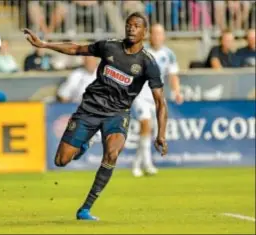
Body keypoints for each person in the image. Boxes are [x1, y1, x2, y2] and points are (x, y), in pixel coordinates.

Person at [24, 11, 168, 221]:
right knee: (61, 160)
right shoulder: (109, 46)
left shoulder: (148, 64)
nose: (131, 28)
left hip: (117, 114)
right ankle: (83, 144)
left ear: (144, 32)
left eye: (136, 26)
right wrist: (44, 45)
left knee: (112, 154)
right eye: (129, 25)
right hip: (90, 108)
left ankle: (85, 208)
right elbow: (76, 49)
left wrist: (161, 134)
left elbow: (160, 102)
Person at [132, 23, 183, 177]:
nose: (157, 37)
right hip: (141, 95)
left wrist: (177, 91)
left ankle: (136, 163)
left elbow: (172, 75)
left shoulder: (169, 54)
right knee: (145, 124)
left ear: (164, 36)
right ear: (150, 35)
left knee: (149, 130)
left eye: (160, 34)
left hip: (156, 97)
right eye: (154, 34)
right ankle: (147, 164)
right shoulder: (142, 52)